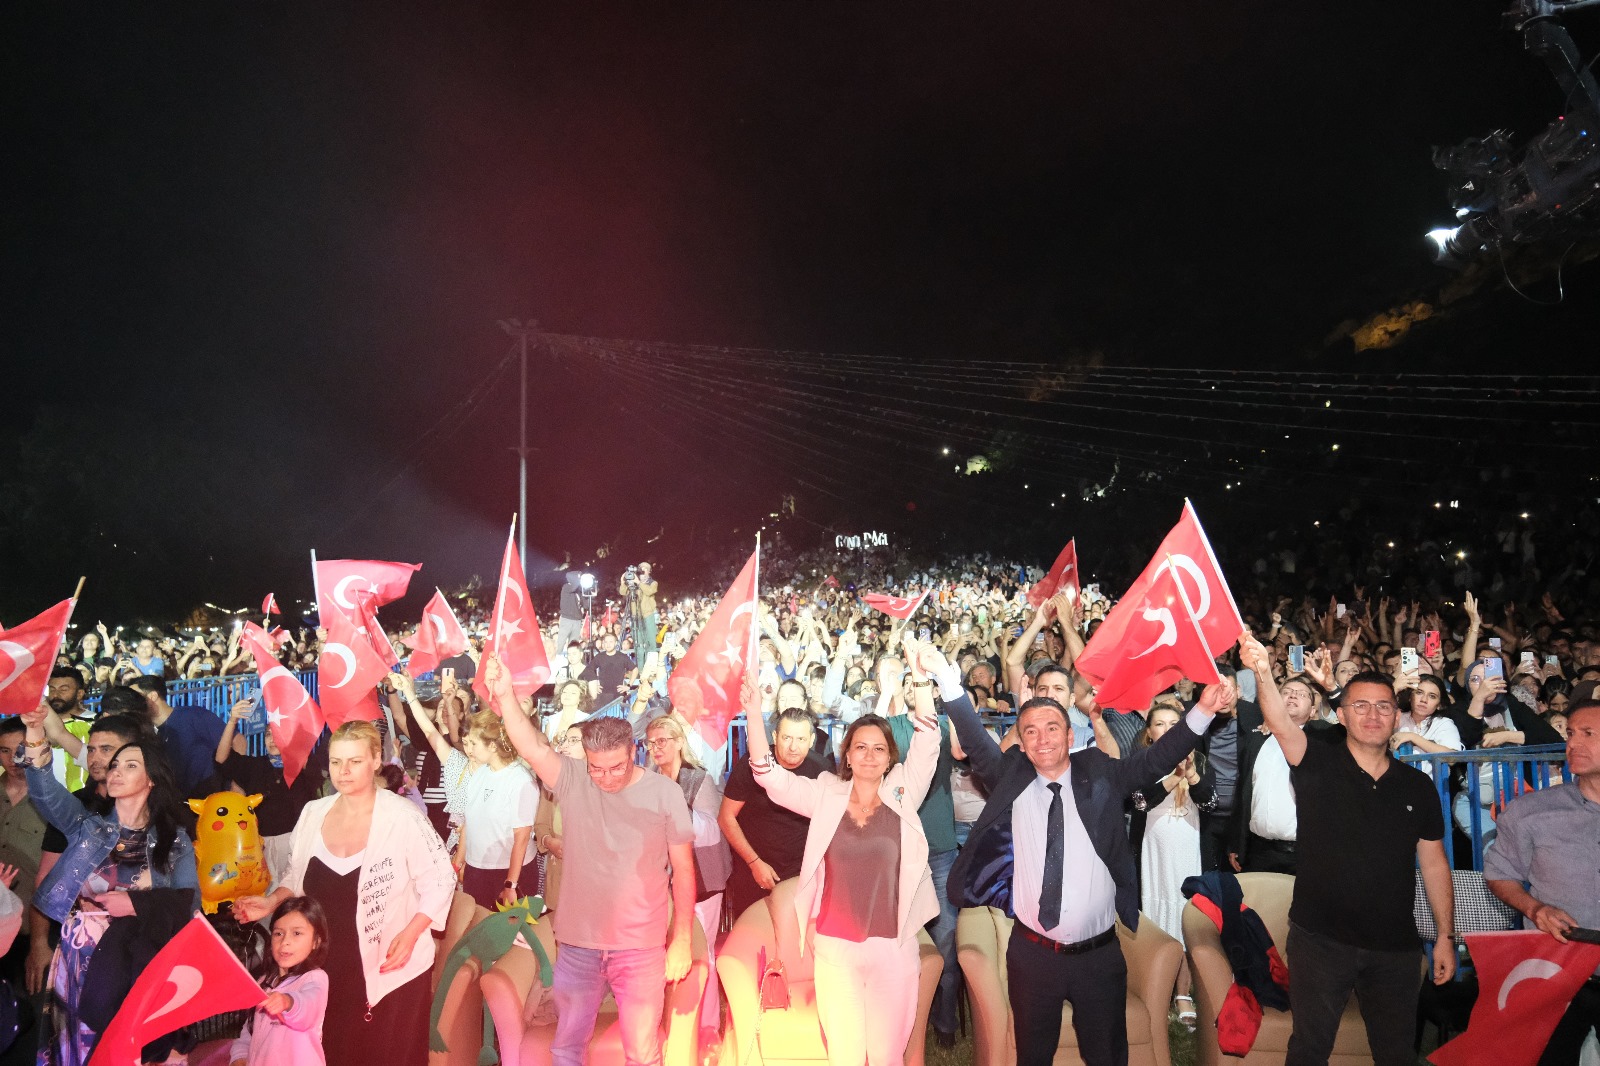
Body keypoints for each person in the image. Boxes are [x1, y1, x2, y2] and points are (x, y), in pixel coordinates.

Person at [946, 643, 1227, 1066]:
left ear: (1070, 734)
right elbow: (974, 739)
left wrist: (1202, 711)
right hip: (1032, 955)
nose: (1042, 739)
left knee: (1106, 1056)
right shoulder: (1012, 779)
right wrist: (945, 680)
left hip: (1099, 957)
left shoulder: (1101, 773)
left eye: (1052, 728)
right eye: (1031, 731)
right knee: (1032, 1057)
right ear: (1020, 741)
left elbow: (1156, 760)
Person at [1239, 635, 1455, 1066]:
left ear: (1397, 717)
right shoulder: (1316, 762)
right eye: (1360, 705)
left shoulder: (1418, 787)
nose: (1372, 714)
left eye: (1383, 706)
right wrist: (1263, 672)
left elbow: (1433, 863)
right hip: (1320, 942)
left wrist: (1446, 936)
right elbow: (1281, 723)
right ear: (1340, 714)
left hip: (1395, 947)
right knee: (1309, 1049)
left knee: (1396, 1054)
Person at [744, 634, 944, 1066]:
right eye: (860, 747)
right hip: (835, 948)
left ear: (890, 756)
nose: (869, 756)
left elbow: (929, 740)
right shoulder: (825, 794)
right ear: (847, 755)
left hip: (893, 947)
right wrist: (753, 715)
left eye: (878, 748)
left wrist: (922, 680)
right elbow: (768, 775)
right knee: (846, 1057)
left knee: (886, 1057)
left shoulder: (905, 792)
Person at [490, 654, 696, 1066]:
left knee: (643, 1052)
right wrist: (505, 696)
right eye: (596, 768)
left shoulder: (664, 793)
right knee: (566, 1048)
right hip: (579, 946)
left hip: (640, 946)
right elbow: (529, 745)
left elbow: (685, 872)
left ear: (634, 752)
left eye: (615, 767)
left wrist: (684, 938)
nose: (605, 777)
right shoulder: (573, 777)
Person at [232, 720, 455, 1066]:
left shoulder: (403, 817)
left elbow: (441, 878)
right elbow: (296, 876)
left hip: (389, 968)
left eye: (354, 761)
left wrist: (411, 934)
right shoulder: (313, 812)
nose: (344, 771)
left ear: (376, 759)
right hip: (325, 969)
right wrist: (271, 901)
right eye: (336, 762)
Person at [17, 707, 197, 1066]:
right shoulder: (86, 825)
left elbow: (189, 908)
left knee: (130, 1050)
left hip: (138, 962)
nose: (115, 771)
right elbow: (45, 792)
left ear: (152, 779)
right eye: (115, 765)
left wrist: (135, 904)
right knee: (81, 1049)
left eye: (130, 765)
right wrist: (35, 732)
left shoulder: (174, 841)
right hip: (79, 959)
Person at [1484, 697, 1600, 1064]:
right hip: (1559, 967)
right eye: (1570, 733)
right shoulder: (1532, 812)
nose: (1572, 744)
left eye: (1588, 733)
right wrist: (1536, 909)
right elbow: (1500, 875)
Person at [1128, 704, 1215, 1028]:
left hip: (1188, 853)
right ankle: (1155, 990)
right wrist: (1173, 776)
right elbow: (1137, 801)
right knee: (1154, 916)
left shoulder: (1200, 759)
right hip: (1151, 855)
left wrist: (1190, 773)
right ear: (1149, 732)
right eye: (1159, 724)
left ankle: (1183, 993)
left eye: (1173, 724)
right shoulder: (1141, 764)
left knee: (1186, 916)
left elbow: (1210, 803)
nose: (1166, 729)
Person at [645, 714, 730, 1035]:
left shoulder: (699, 779)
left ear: (680, 742)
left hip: (704, 879)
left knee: (701, 953)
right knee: (665, 955)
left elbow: (711, 830)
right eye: (651, 743)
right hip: (661, 883)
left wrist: (675, 806)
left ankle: (707, 1028)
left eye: (662, 741)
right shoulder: (648, 778)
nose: (655, 748)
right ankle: (672, 1026)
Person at [719, 708, 829, 922]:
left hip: (800, 874)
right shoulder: (751, 764)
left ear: (812, 740)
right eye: (787, 737)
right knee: (750, 943)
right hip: (753, 870)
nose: (793, 746)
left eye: (800, 738)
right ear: (775, 736)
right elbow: (726, 817)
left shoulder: (822, 769)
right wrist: (754, 863)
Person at [213, 700, 324, 885]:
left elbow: (314, 773)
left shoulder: (300, 765)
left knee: (292, 889)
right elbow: (221, 759)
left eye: (277, 734)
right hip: (260, 842)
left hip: (293, 840)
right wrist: (232, 721)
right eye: (268, 735)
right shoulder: (255, 765)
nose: (272, 739)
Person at [229, 895, 330, 1066]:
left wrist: (288, 1002)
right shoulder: (264, 981)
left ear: (316, 941)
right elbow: (250, 1029)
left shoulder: (314, 978)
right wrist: (239, 1056)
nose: (285, 942)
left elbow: (308, 1007)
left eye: (296, 933)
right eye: (278, 933)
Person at [455, 708, 539, 909]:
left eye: (474, 743)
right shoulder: (479, 774)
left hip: (509, 873)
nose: (469, 749)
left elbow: (522, 837)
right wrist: (458, 862)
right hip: (477, 870)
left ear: (492, 746)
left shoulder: (520, 780)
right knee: (476, 933)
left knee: (509, 938)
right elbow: (470, 822)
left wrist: (511, 884)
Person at [126, 674, 225, 798]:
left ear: (153, 696)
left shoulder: (193, 715)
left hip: (211, 801)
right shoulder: (145, 731)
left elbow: (237, 741)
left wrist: (235, 785)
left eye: (136, 697)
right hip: (180, 804)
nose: (131, 703)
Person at [532, 725, 586, 912]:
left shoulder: (602, 786)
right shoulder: (553, 781)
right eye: (564, 740)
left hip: (589, 883)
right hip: (557, 877)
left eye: (573, 741)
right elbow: (540, 824)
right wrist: (548, 841)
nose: (564, 746)